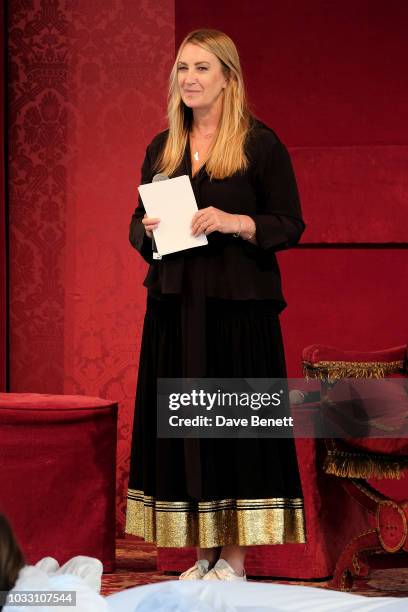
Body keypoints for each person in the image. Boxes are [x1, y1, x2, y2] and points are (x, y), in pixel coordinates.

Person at [125, 29, 306, 581]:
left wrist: (235, 222)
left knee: (236, 426)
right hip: (175, 309)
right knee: (185, 429)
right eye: (183, 68)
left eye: (202, 68)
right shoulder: (163, 147)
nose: (190, 79)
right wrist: (148, 230)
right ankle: (200, 554)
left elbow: (290, 224)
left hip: (238, 312)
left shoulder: (260, 144)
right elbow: (136, 225)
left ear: (228, 77)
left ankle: (235, 559)